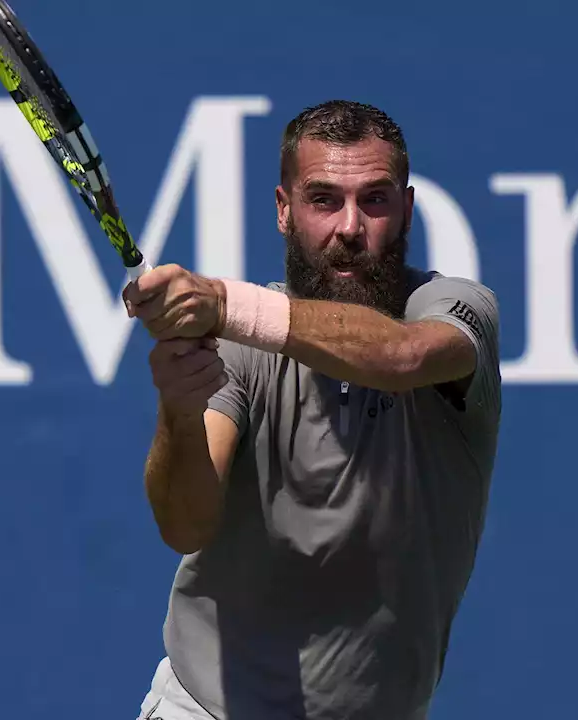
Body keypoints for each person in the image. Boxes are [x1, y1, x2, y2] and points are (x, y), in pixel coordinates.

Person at [123, 100, 502, 720]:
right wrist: (180, 411)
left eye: (375, 200)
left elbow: (403, 356)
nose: (350, 227)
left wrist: (225, 304)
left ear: (406, 210)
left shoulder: (459, 311)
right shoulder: (239, 351)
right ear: (283, 210)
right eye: (323, 199)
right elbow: (185, 527)